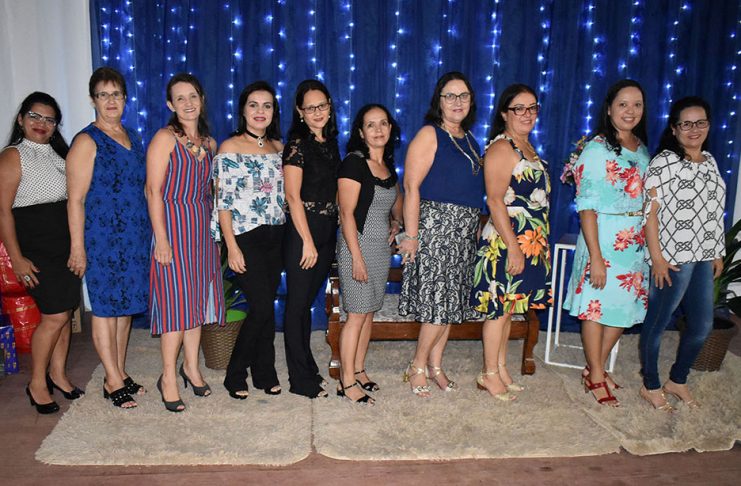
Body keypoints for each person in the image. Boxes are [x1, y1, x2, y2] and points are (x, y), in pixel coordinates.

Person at [66, 67, 150, 409]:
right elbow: (75, 199)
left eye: (116, 94)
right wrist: (77, 247)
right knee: (104, 309)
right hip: (102, 238)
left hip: (134, 236)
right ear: (93, 100)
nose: (110, 101)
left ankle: (119, 371)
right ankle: (112, 379)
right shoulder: (87, 141)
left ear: (125, 98)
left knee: (124, 308)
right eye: (103, 95)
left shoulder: (134, 137)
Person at [563, 79, 650, 407]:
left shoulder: (642, 148)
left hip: (634, 242)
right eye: (623, 104)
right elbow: (586, 206)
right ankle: (597, 375)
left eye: (637, 104)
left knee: (622, 310)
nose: (630, 111)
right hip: (603, 237)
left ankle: (593, 368)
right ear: (609, 109)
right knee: (595, 308)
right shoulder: (597, 148)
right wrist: (596, 257)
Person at [397, 72, 485, 397]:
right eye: (450, 96)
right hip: (436, 229)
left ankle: (436, 366)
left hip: (463, 232)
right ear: (439, 101)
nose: (457, 102)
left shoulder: (470, 138)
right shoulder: (429, 134)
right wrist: (411, 235)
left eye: (463, 95)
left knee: (449, 305)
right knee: (437, 305)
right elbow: (411, 187)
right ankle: (417, 365)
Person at [639, 97, 725, 411]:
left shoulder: (710, 161)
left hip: (702, 257)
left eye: (700, 122)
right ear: (674, 129)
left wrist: (716, 251)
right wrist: (657, 258)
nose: (693, 129)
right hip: (672, 258)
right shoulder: (664, 163)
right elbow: (649, 213)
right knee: (658, 323)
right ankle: (650, 384)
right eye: (686, 124)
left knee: (702, 326)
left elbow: (714, 211)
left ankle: (677, 379)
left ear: (708, 125)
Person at [146, 73, 225, 412]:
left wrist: (215, 237)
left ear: (201, 99)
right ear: (170, 104)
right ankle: (168, 376)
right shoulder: (164, 138)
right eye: (180, 98)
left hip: (201, 231)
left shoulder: (210, 143)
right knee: (175, 307)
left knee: (196, 304)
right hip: (173, 228)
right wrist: (161, 240)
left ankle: (191, 368)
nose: (188, 103)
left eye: (193, 96)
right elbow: (152, 191)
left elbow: (211, 194)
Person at [0, 92, 81, 414]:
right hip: (36, 246)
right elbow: (3, 212)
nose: (41, 124)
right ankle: (37, 382)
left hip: (64, 244)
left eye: (49, 119)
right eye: (35, 116)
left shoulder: (61, 153)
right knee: (55, 316)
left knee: (65, 313)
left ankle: (58, 375)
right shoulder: (12, 155)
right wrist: (17, 258)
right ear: (21, 119)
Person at [470, 84, 551, 401]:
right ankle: (488, 373)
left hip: (529, 241)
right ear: (505, 113)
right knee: (498, 311)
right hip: (505, 242)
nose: (527, 114)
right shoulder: (502, 148)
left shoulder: (527, 147)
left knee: (509, 310)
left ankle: (501, 368)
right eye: (519, 108)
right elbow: (494, 200)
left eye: (532, 107)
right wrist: (514, 248)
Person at [213, 81, 285, 400]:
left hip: (276, 236)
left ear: (274, 112)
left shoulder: (279, 148)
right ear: (243, 109)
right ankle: (235, 373)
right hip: (245, 238)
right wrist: (231, 246)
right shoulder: (229, 147)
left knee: (265, 307)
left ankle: (265, 373)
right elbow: (223, 202)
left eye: (267, 105)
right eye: (253, 104)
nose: (260, 111)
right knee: (261, 307)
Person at [336, 104, 403, 404]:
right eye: (370, 125)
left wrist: (396, 223)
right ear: (361, 133)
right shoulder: (353, 163)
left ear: (390, 128)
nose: (378, 130)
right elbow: (346, 214)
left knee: (368, 314)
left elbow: (395, 205)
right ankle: (346, 381)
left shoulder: (387, 167)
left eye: (383, 123)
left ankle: (359, 369)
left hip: (380, 249)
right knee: (356, 315)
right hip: (357, 247)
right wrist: (356, 258)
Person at [282, 79, 341, 399]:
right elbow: (292, 197)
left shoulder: (330, 143)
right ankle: (299, 379)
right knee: (297, 306)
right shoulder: (297, 145)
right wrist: (306, 240)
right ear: (300, 112)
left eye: (322, 105)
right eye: (310, 107)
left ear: (330, 107)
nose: (318, 112)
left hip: (327, 230)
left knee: (305, 305)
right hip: (303, 231)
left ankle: (306, 366)